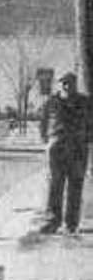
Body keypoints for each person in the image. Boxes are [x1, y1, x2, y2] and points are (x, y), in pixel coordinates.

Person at [39, 72, 89, 234]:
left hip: (78, 149)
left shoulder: (85, 102)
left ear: (76, 84)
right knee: (55, 185)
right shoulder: (51, 102)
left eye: (70, 83)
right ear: (59, 84)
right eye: (64, 83)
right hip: (57, 149)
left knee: (75, 185)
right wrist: (48, 141)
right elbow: (43, 123)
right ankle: (52, 221)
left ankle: (71, 224)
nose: (67, 86)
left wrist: (85, 139)